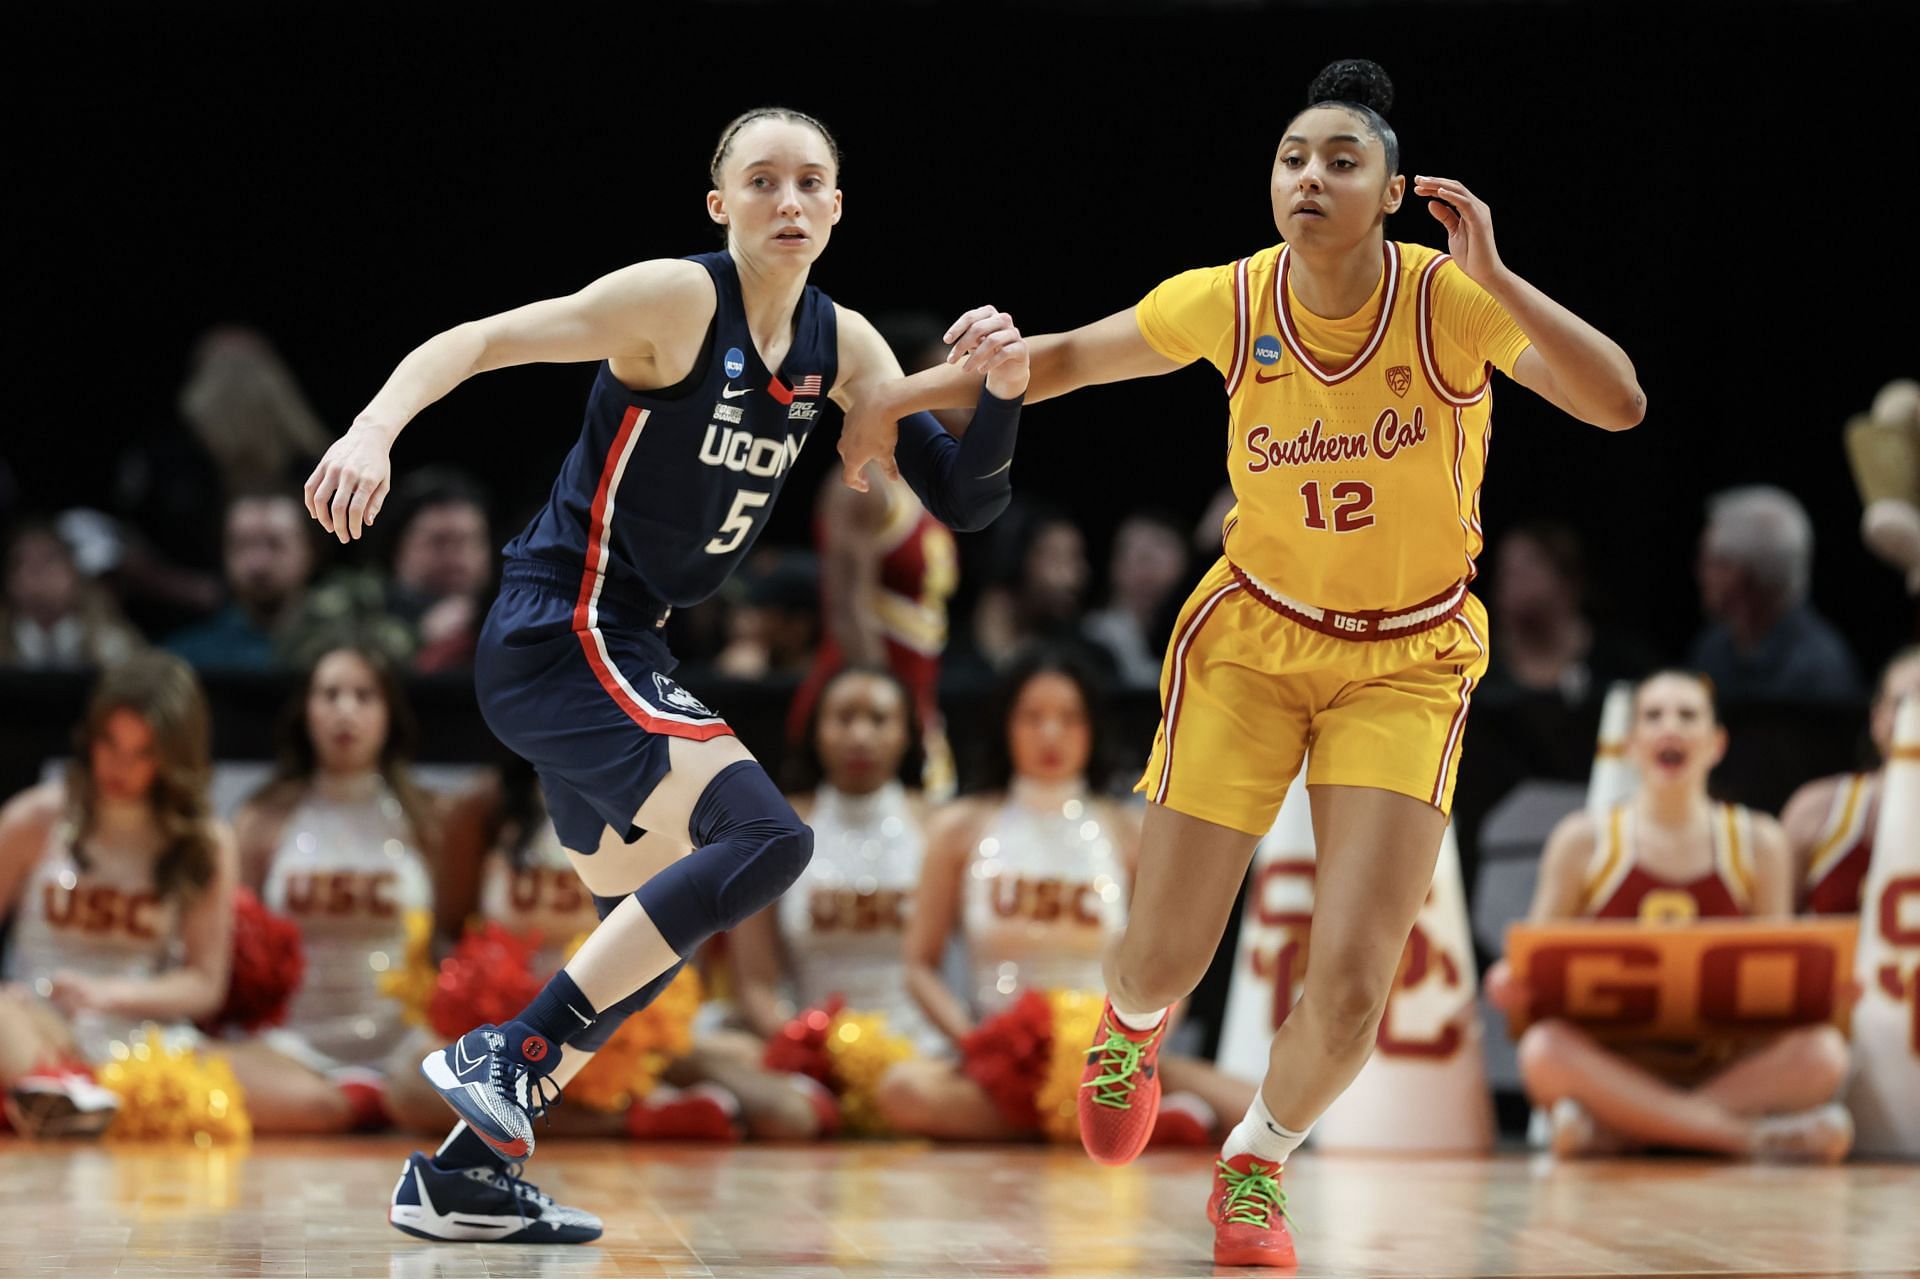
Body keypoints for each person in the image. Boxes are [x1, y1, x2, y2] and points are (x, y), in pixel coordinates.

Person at [848, 58, 1645, 1268]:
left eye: (1341, 160)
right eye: (1292, 157)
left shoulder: (1450, 303)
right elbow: (1056, 360)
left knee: (1355, 978)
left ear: (1389, 192)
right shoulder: (1233, 298)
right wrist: (890, 400)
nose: (1310, 177)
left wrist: (1501, 279)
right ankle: (1130, 1026)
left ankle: (1258, 1165)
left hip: (1409, 660)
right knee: (1168, 949)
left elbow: (1620, 403)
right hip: (1254, 642)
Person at [302, 106, 1028, 1244]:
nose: (788, 201)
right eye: (762, 181)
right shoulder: (677, 303)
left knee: (638, 948)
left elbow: (970, 498)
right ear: (720, 204)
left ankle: (461, 1176)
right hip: (562, 627)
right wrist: (372, 428)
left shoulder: (850, 350)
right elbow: (483, 338)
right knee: (770, 839)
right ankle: (511, 1052)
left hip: (625, 642)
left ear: (837, 207)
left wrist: (1002, 393)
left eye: (810, 183)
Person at [872, 649, 1247, 1143]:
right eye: (1033, 717)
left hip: (1107, 1057)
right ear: (1006, 725)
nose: (1051, 734)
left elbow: (1171, 967)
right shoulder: (960, 828)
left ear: (1092, 729)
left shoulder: (1129, 832)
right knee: (903, 1092)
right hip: (996, 1059)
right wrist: (974, 1042)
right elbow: (919, 963)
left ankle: (1092, 1113)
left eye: (1068, 719)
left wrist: (1134, 1052)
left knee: (1250, 1106)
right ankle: (1131, 1126)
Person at [1485, 671, 1853, 1162]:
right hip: (1614, 1066)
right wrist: (1511, 983)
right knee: (1542, 1051)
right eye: (1654, 716)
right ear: (1631, 743)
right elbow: (1532, 963)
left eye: (1688, 715)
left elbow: (1778, 985)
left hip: (1724, 1068)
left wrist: (1826, 989)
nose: (1670, 728)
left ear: (1717, 742)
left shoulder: (1758, 840)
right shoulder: (1583, 840)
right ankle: (1740, 1138)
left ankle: (1627, 1132)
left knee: (1825, 1052)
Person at [0, 654, 238, 1135]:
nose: (119, 765)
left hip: (144, 1041)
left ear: (175, 754)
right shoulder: (34, 819)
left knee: (310, 1102)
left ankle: (73, 1104)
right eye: (109, 742)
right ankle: (60, 1096)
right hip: (37, 1029)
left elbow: (205, 984)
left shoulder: (206, 840)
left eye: (144, 751)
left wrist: (106, 995)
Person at [222, 643, 438, 1133]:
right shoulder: (263, 818)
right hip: (291, 1048)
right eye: (330, 694)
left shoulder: (430, 819)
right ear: (306, 710)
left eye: (364, 696)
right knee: (197, 1067)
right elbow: (232, 941)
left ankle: (363, 1102)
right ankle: (351, 1104)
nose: (346, 711)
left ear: (389, 714)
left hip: (406, 1049)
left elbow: (456, 938)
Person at [735, 666, 943, 1059]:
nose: (860, 736)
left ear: (907, 734)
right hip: (811, 1052)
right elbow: (755, 983)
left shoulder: (941, 828)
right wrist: (801, 1049)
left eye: (879, 720)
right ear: (815, 730)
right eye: (844, 718)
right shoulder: (772, 830)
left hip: (924, 1056)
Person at [1690, 485, 1862, 702]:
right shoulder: (1711, 650)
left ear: (1741, 574)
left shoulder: (1820, 669)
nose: (1700, 573)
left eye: (1711, 562)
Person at [1781, 646, 1920, 913]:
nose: (1916, 716)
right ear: (1877, 719)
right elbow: (1773, 935)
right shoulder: (1815, 811)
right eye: (1904, 702)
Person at [165, 491, 317, 671]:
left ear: (310, 551)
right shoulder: (185, 659)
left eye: (275, 544)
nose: (258, 563)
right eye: (243, 544)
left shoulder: (340, 649)